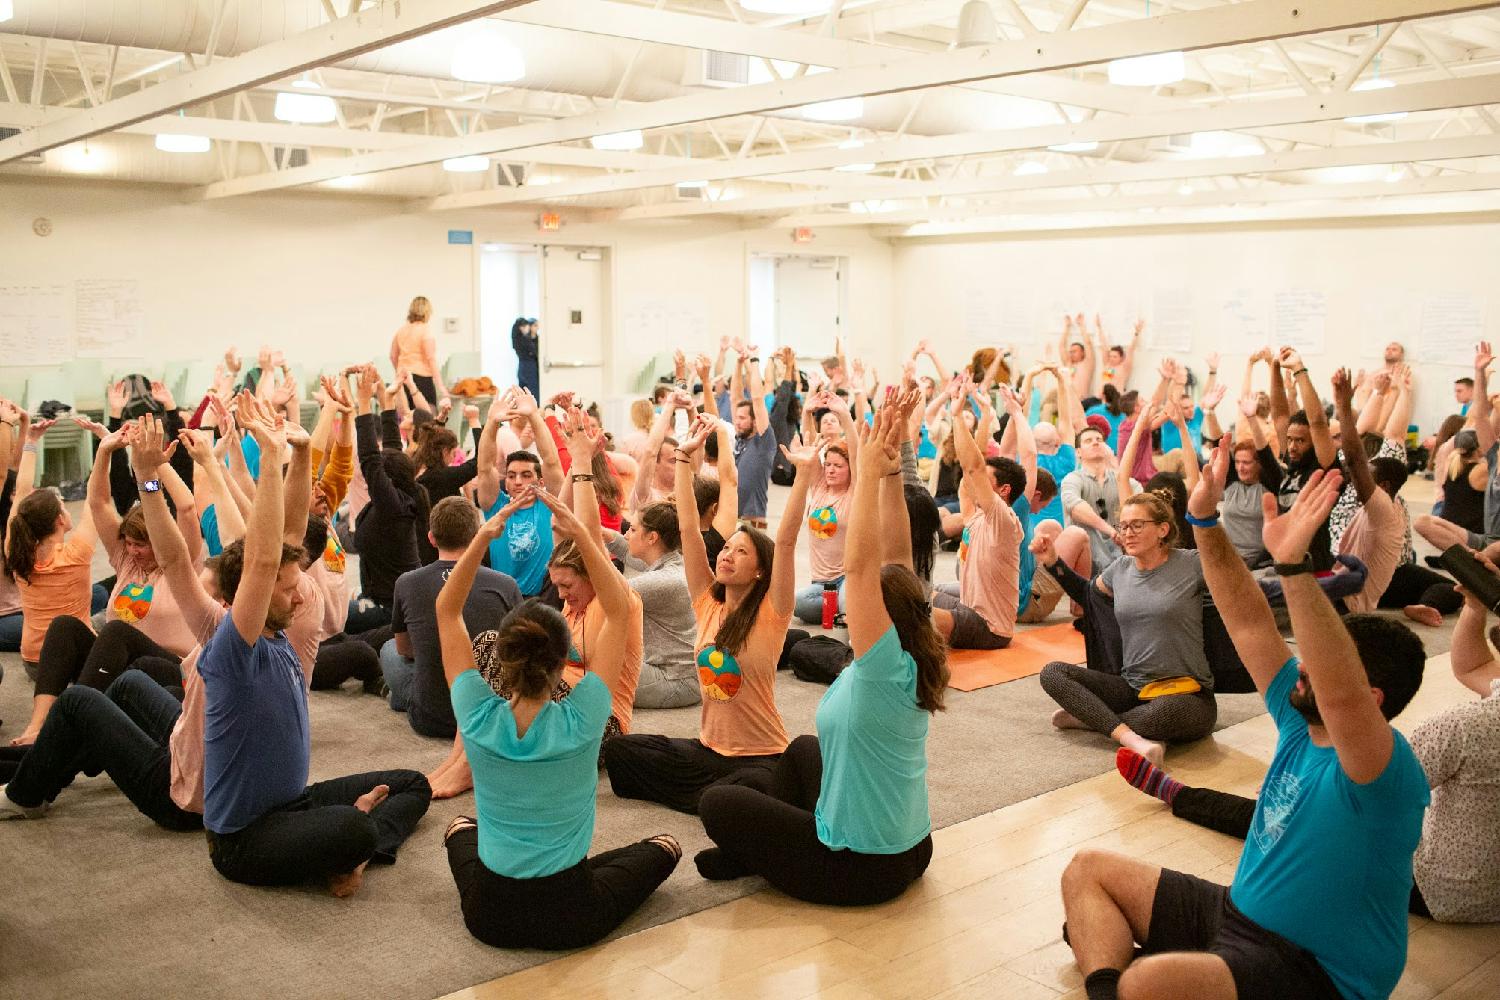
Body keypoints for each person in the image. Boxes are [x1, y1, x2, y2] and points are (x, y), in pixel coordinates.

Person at [1059, 436, 1428, 1000]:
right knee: (1087, 872)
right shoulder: (1298, 716)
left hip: (1314, 969)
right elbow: (1251, 624)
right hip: (1237, 913)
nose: (1301, 667)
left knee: (1147, 979)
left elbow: (1341, 689)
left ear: (1370, 697)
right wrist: (1204, 520)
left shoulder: (1379, 766)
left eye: (1319, 668)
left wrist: (1295, 568)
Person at [1117, 568, 1500, 925]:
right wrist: (1476, 606)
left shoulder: (1462, 727)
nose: (1304, 666)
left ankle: (1177, 794)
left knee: (1285, 816)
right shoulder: (1479, 714)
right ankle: (1181, 795)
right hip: (1477, 879)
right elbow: (1473, 668)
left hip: (1447, 887)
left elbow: (1373, 790)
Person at [0, 413, 323, 829]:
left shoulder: (237, 629)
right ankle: (52, 756)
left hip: (188, 798)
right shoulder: (252, 619)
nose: (296, 591)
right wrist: (298, 454)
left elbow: (196, 555)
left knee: (80, 700)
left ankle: (24, 791)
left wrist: (152, 472)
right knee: (128, 683)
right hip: (203, 745)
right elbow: (284, 537)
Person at [694, 401, 943, 904]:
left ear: (877, 614)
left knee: (719, 802)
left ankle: (756, 852)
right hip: (914, 847)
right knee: (804, 750)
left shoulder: (880, 665)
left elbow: (863, 562)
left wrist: (868, 473)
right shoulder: (910, 647)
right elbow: (897, 554)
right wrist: (892, 467)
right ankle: (761, 850)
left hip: (862, 866)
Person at [197, 393, 430, 896]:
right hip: (243, 839)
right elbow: (260, 560)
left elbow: (286, 536)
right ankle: (355, 841)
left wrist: (302, 453)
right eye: (285, 587)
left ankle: (358, 850)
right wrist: (266, 461)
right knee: (353, 825)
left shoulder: (281, 634)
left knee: (415, 783)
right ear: (253, 598)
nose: (298, 593)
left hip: (296, 804)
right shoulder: (235, 649)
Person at [435, 493, 679, 950]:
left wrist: (482, 538)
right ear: (559, 659)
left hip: (489, 916)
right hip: (571, 915)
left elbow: (447, 611)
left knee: (458, 829)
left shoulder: (476, 714)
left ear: (503, 660)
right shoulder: (585, 716)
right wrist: (585, 536)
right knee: (666, 845)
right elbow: (622, 607)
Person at [602, 412, 811, 814]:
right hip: (708, 751)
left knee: (750, 788)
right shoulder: (707, 602)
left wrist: (803, 475)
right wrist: (682, 459)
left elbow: (784, 543)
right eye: (727, 548)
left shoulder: (773, 612)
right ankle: (714, 800)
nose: (728, 555)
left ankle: (719, 800)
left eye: (741, 552)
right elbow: (687, 529)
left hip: (760, 756)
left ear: (760, 570)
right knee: (621, 751)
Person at [1037, 488, 1217, 764]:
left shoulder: (1191, 564)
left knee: (1163, 715)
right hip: (1133, 689)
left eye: (1137, 525)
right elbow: (1088, 596)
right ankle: (1130, 737)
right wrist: (1052, 562)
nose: (1127, 533)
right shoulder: (1119, 569)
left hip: (1188, 694)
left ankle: (1094, 718)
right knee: (1052, 673)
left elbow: (1233, 580)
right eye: (1124, 526)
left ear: (1162, 529)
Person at [381, 497, 522, 738]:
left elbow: (405, 649)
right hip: (489, 713)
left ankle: (401, 697)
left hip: (431, 717)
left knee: (389, 648)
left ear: (431, 538)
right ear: (478, 535)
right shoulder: (505, 584)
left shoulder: (406, 582)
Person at [545, 407, 645, 740]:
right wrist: (575, 461)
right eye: (557, 586)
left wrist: (585, 468)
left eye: (567, 585)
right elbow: (559, 525)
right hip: (560, 705)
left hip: (601, 722)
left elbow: (587, 533)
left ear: (591, 574)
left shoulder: (614, 599)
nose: (560, 595)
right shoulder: (573, 606)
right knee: (494, 649)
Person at [931, 382, 1031, 650]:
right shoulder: (974, 516)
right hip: (967, 609)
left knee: (913, 616)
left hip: (990, 628)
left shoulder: (1004, 519)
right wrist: (975, 416)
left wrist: (958, 416)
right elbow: (971, 466)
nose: (977, 484)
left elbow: (974, 467)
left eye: (986, 482)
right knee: (910, 594)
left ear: (1003, 490)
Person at [476, 387, 565, 600]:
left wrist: (534, 416)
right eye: (512, 475)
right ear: (505, 480)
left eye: (526, 475)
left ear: (539, 481)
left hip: (544, 596)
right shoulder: (496, 506)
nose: (518, 481)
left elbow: (551, 461)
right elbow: (485, 467)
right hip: (504, 597)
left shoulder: (550, 505)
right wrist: (491, 423)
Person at [626, 499, 699, 710]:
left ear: (652, 537)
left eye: (632, 529)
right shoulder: (674, 561)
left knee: (581, 673)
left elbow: (608, 592)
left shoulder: (663, 581)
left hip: (675, 682)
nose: (626, 535)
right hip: (682, 676)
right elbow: (626, 552)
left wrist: (585, 537)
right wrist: (605, 535)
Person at [793, 399, 858, 625]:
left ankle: (849, 607)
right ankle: (844, 608)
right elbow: (810, 446)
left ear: (850, 470)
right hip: (820, 583)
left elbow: (856, 452)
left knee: (846, 606)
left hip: (848, 577)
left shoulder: (854, 491)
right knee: (798, 604)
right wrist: (807, 413)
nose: (830, 470)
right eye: (828, 464)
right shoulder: (819, 486)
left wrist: (844, 415)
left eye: (838, 466)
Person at [727, 342, 777, 531]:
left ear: (755, 421)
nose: (737, 422)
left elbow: (757, 399)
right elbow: (734, 397)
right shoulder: (740, 438)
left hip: (752, 522)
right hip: (732, 518)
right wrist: (739, 363)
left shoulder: (764, 442)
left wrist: (754, 360)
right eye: (736, 418)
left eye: (742, 418)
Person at [389, 295, 447, 407]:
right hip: (422, 380)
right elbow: (431, 359)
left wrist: (400, 372)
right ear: (427, 312)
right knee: (427, 419)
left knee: (407, 418)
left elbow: (393, 356)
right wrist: (441, 386)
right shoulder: (425, 331)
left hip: (403, 380)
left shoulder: (401, 331)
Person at [512, 316, 540, 400]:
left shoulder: (519, 339)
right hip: (528, 368)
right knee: (531, 392)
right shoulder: (523, 340)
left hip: (525, 368)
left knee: (526, 392)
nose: (538, 328)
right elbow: (533, 352)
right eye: (535, 325)